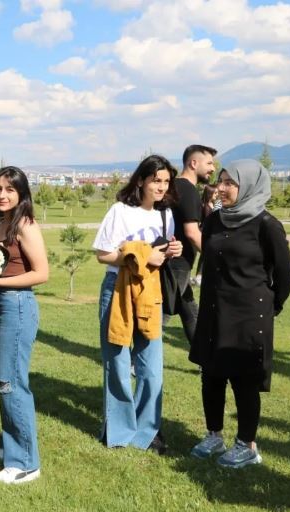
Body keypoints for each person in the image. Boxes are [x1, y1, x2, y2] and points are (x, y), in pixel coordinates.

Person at [189, 159, 290, 467]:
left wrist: (271, 305)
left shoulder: (266, 225)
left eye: (228, 184)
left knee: (243, 380)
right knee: (211, 375)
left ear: (248, 186)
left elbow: (286, 272)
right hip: (213, 310)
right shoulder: (215, 221)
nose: (220, 188)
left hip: (248, 315)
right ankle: (214, 435)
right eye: (220, 181)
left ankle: (247, 444)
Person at [92, 154, 182, 454]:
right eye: (156, 180)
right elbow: (103, 253)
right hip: (117, 288)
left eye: (166, 181)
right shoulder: (121, 211)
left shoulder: (165, 214)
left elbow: (158, 254)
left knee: (151, 365)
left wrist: (172, 250)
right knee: (116, 361)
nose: (161, 187)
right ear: (142, 180)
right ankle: (117, 430)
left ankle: (148, 430)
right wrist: (142, 257)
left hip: (150, 290)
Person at [0, 167, 49, 484]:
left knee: (12, 382)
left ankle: (26, 463)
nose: (2, 195)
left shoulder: (25, 224)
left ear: (21, 194)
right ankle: (12, 445)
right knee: (4, 379)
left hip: (16, 306)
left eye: (9, 190)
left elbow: (42, 273)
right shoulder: (2, 223)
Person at [164, 145, 217, 344]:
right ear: (193, 163)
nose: (213, 168)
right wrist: (218, 256)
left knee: (189, 310)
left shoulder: (176, 186)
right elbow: (192, 234)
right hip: (176, 263)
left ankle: (205, 361)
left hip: (177, 261)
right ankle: (137, 362)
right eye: (209, 163)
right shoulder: (188, 190)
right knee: (163, 313)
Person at [192, 183, 220, 286]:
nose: (217, 195)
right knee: (204, 255)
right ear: (210, 194)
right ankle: (199, 276)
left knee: (205, 256)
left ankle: (201, 276)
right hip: (205, 233)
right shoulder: (205, 206)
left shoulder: (212, 205)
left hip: (211, 233)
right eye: (215, 193)